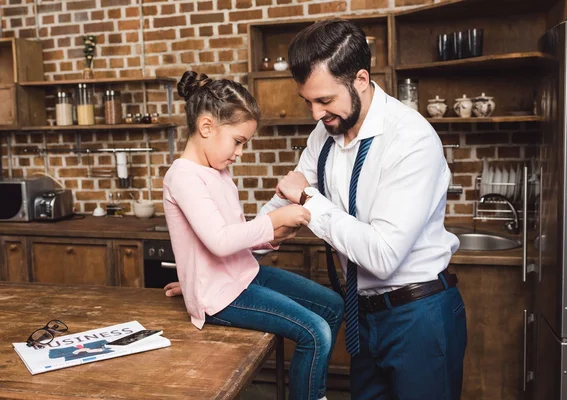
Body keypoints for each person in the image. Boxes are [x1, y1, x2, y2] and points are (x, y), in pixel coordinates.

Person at [258, 19, 468, 399]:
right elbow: (279, 207)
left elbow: (383, 255)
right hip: (364, 317)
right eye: (308, 101)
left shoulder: (411, 140)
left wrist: (308, 200)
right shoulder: (325, 132)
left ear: (360, 79)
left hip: (419, 316)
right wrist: (212, 266)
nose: (315, 114)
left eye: (324, 100)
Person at [163, 70, 344, 400]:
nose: (239, 153)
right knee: (315, 332)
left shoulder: (217, 171)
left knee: (332, 305)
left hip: (244, 275)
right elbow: (219, 240)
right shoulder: (183, 176)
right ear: (206, 127)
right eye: (238, 142)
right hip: (220, 297)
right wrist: (274, 217)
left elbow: (234, 234)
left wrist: (274, 234)